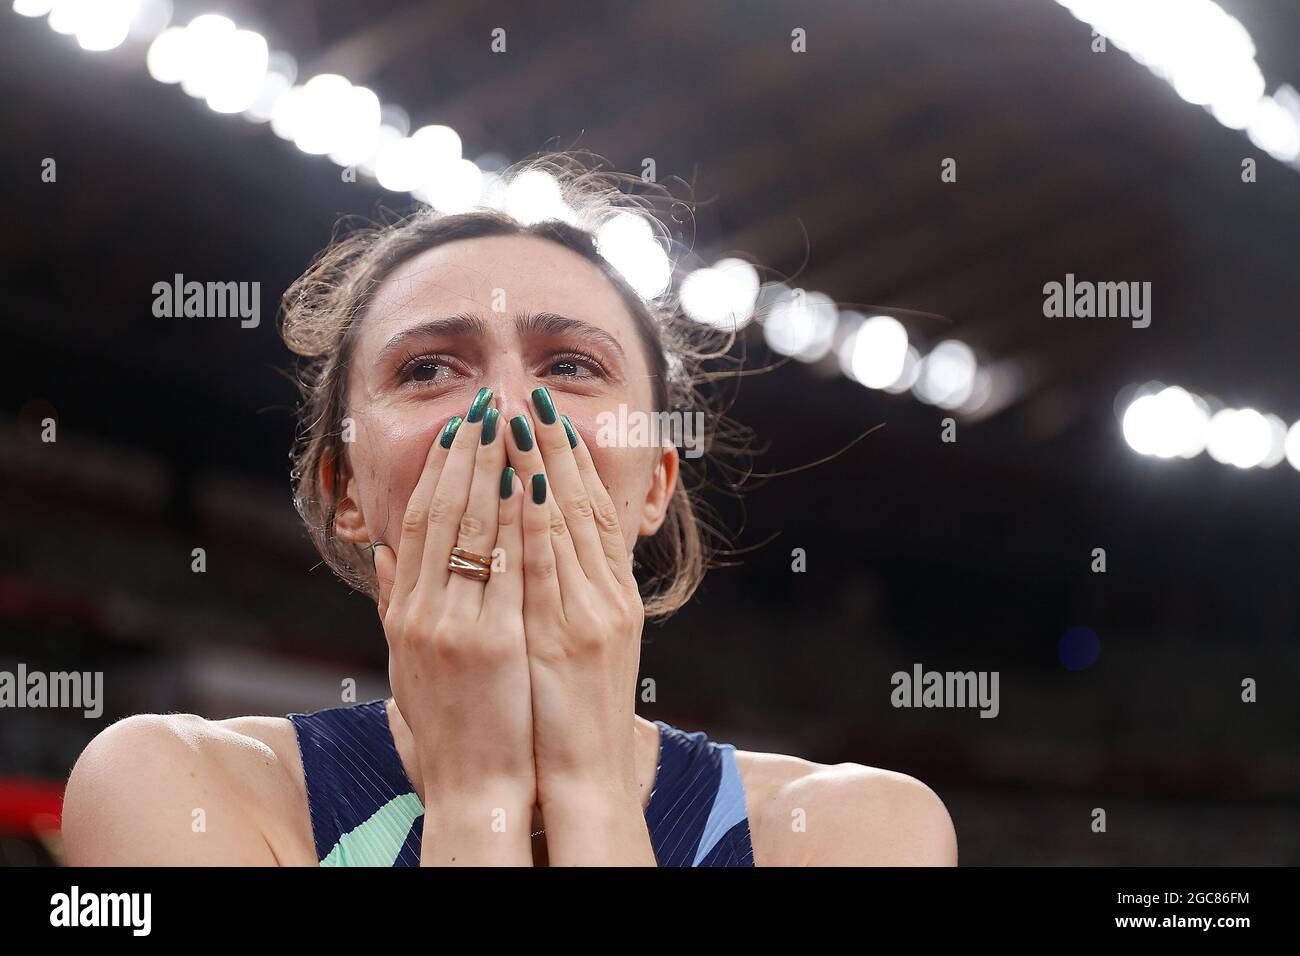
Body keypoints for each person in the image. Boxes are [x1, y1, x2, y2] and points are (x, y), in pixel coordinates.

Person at [60, 153, 957, 866]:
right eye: (427, 368)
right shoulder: (171, 785)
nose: (511, 413)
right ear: (343, 489)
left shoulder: (860, 831)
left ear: (655, 483)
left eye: (570, 365)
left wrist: (590, 793)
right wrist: (476, 798)